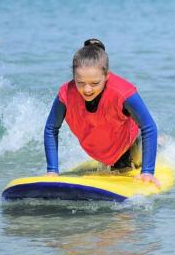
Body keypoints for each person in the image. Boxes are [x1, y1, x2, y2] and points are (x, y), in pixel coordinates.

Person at [44, 38, 161, 187]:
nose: (87, 89)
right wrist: (52, 170)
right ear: (73, 76)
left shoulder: (123, 92)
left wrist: (147, 171)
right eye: (80, 82)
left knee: (124, 167)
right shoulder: (66, 94)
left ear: (107, 76)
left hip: (129, 146)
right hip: (101, 151)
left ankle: (161, 144)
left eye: (95, 83)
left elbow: (148, 127)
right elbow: (51, 128)